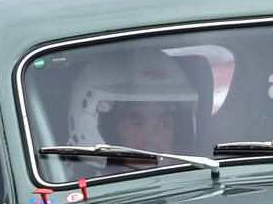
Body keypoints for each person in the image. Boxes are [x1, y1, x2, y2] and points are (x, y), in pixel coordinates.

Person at [67, 49, 199, 164]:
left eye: (164, 124)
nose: (154, 139)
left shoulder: (201, 179)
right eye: (138, 124)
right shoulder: (69, 185)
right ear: (108, 130)